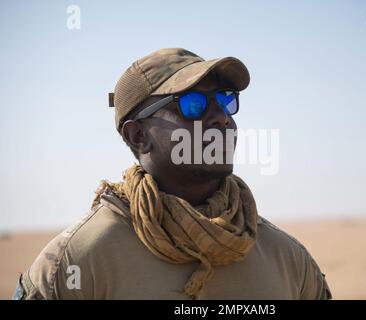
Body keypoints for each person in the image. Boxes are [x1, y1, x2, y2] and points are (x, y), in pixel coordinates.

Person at [13, 48, 332, 300]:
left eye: (225, 99)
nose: (220, 117)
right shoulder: (78, 262)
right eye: (192, 104)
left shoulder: (287, 260)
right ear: (138, 135)